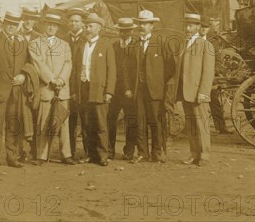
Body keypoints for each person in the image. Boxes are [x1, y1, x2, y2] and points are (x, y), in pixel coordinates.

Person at [0, 11, 29, 168]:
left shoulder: (22, 41)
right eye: (9, 23)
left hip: (16, 91)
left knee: (13, 124)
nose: (11, 27)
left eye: (15, 24)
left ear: (18, 26)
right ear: (4, 24)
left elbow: (28, 63)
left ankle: (12, 156)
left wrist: (23, 75)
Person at [70, 13, 116, 166]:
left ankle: (102, 155)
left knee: (101, 124)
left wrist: (109, 91)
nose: (87, 29)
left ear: (99, 28)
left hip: (99, 90)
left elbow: (112, 70)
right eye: (87, 26)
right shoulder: (81, 45)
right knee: (86, 124)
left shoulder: (106, 44)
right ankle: (89, 154)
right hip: (83, 88)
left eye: (91, 26)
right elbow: (76, 70)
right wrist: (75, 90)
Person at [28, 13, 75, 165]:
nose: (51, 27)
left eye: (55, 25)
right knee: (44, 122)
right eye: (49, 24)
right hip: (46, 89)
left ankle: (66, 154)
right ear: (43, 25)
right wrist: (51, 79)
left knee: (63, 122)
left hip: (62, 89)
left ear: (58, 28)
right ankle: (41, 156)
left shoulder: (64, 44)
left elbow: (68, 63)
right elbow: (38, 64)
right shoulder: (35, 44)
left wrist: (61, 79)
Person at [131, 10, 176, 164]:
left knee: (156, 122)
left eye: (145, 23)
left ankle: (157, 152)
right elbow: (128, 67)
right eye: (140, 23)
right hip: (139, 90)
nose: (142, 26)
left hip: (155, 90)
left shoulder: (161, 42)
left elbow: (171, 66)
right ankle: (142, 153)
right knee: (140, 121)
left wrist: (159, 81)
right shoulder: (134, 43)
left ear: (152, 25)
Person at [176, 14, 215, 167]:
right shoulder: (184, 44)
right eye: (186, 25)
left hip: (198, 93)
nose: (187, 28)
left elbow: (208, 71)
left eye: (191, 25)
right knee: (191, 125)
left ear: (198, 27)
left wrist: (203, 92)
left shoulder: (206, 46)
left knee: (202, 124)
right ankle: (194, 154)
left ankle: (204, 155)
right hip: (186, 92)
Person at [108, 18, 139, 161]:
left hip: (131, 92)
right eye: (122, 31)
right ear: (118, 31)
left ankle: (129, 150)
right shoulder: (113, 46)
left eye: (127, 31)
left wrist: (131, 89)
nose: (124, 33)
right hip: (115, 90)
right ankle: (109, 150)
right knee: (110, 119)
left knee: (131, 120)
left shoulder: (137, 46)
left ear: (132, 31)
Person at [64, 8, 87, 161]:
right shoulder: (63, 39)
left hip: (83, 87)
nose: (74, 23)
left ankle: (88, 152)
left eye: (77, 21)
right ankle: (69, 152)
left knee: (86, 121)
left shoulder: (87, 40)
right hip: (66, 86)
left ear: (82, 23)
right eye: (71, 20)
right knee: (69, 121)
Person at [199, 17, 230, 134]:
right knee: (193, 102)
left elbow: (217, 59)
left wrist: (214, 72)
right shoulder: (193, 40)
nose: (203, 29)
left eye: (206, 27)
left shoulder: (213, 40)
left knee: (214, 101)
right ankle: (192, 128)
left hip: (209, 75)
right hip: (196, 75)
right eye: (201, 27)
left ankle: (221, 127)